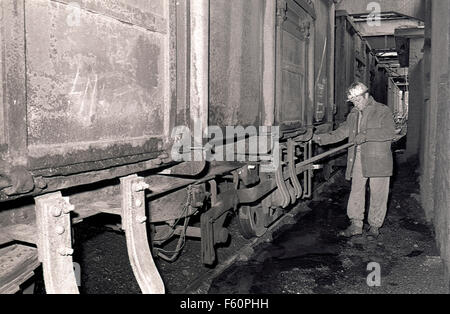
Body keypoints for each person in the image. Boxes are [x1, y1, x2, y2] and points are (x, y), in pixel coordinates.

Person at [313, 82, 396, 239]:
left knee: (378, 193)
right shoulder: (354, 114)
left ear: (366, 95)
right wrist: (320, 138)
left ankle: (374, 226)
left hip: (378, 159)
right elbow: (341, 132)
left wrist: (365, 135)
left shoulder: (382, 110)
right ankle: (356, 224)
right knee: (356, 191)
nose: (355, 104)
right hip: (358, 158)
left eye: (357, 100)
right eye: (353, 102)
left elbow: (389, 132)